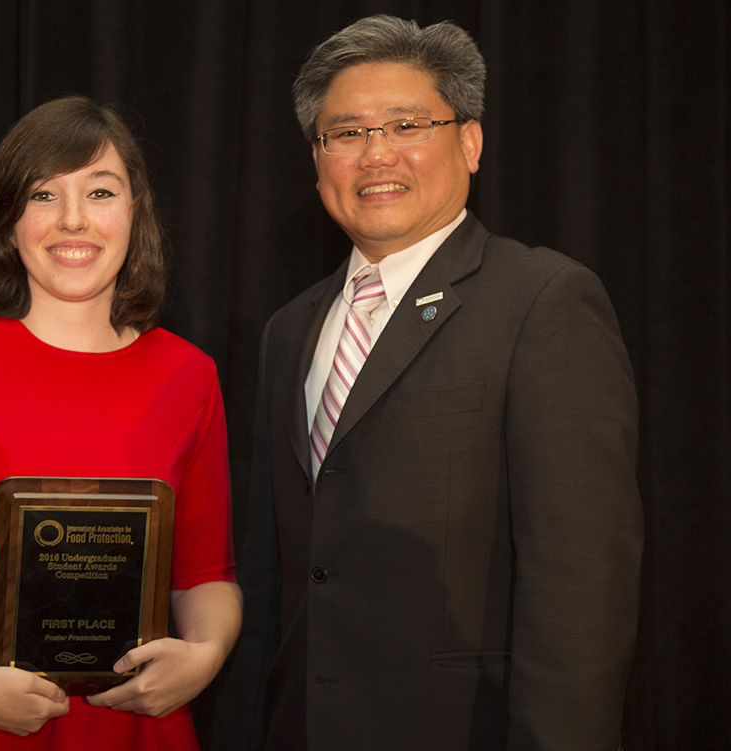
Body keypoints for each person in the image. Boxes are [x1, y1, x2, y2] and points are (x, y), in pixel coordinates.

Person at [214, 15, 643, 751]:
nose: (375, 152)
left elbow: (582, 585)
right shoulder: (289, 329)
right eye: (345, 133)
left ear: (470, 143)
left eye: (406, 124)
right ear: (317, 161)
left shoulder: (543, 299)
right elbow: (272, 571)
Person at [0, 95, 242, 750]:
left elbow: (206, 578)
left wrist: (206, 652)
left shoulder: (189, 375)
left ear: (135, 211)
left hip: (129, 717)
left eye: (101, 191)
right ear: (9, 221)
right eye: (43, 196)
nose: (74, 221)